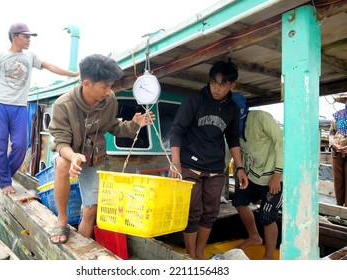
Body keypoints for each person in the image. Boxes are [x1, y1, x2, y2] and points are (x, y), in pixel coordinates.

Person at [48, 54, 155, 244]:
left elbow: (114, 127)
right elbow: (61, 142)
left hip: (92, 155)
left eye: (111, 85)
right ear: (87, 83)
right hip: (68, 153)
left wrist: (134, 124)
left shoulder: (110, 100)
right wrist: (74, 156)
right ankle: (62, 220)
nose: (109, 91)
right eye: (105, 86)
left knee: (91, 208)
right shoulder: (63, 105)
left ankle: (81, 244)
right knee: (63, 164)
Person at [169, 60, 248, 260]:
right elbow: (177, 130)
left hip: (215, 167)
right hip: (189, 165)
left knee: (210, 212)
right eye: (213, 83)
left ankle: (199, 252)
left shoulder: (233, 109)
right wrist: (175, 163)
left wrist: (239, 167)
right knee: (193, 212)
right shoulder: (195, 100)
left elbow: (232, 139)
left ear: (232, 85)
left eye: (222, 85)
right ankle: (190, 255)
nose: (216, 88)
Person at [0, 23, 79, 195]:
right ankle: (4, 182)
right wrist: (1, 96)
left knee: (21, 145)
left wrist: (73, 74)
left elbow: (50, 66)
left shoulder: (30, 56)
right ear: (14, 36)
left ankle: (3, 174)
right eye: (26, 36)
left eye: (30, 37)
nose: (29, 40)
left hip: (20, 107)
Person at [231, 93, 283, 260]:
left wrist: (277, 175)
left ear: (242, 109)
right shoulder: (232, 129)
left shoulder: (261, 117)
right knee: (239, 200)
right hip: (253, 175)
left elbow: (280, 143)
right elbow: (230, 152)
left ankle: (268, 257)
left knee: (267, 216)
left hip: (275, 177)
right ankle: (254, 236)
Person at [329, 93, 347, 207]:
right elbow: (331, 133)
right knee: (338, 181)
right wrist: (333, 144)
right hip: (336, 153)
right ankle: (339, 208)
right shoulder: (337, 116)